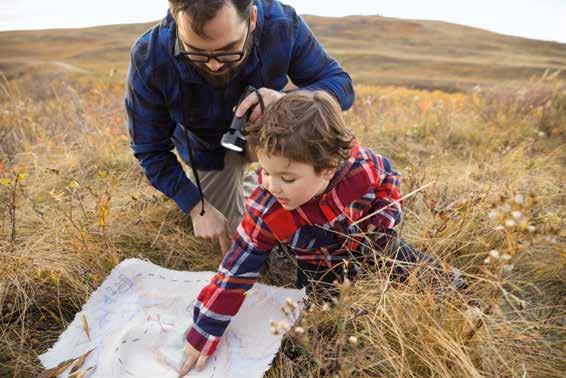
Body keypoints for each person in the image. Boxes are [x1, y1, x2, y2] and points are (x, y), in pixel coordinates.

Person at [178, 91, 453, 375]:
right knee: (316, 323)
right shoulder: (268, 208)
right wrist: (206, 328)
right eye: (265, 172)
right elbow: (235, 269)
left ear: (327, 168)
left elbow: (389, 179)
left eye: (287, 178)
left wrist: (382, 223)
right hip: (315, 260)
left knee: (406, 263)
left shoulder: (360, 170)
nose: (272, 186)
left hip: (369, 240)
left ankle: (457, 288)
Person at [125, 0, 354, 252]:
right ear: (175, 20)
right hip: (209, 150)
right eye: (195, 52)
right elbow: (150, 150)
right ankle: (256, 189)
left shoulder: (282, 25)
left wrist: (286, 101)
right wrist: (195, 206)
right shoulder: (149, 57)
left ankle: (270, 186)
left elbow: (341, 85)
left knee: (322, 219)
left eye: (228, 50)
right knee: (235, 243)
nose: (214, 65)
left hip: (275, 135)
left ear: (252, 18)